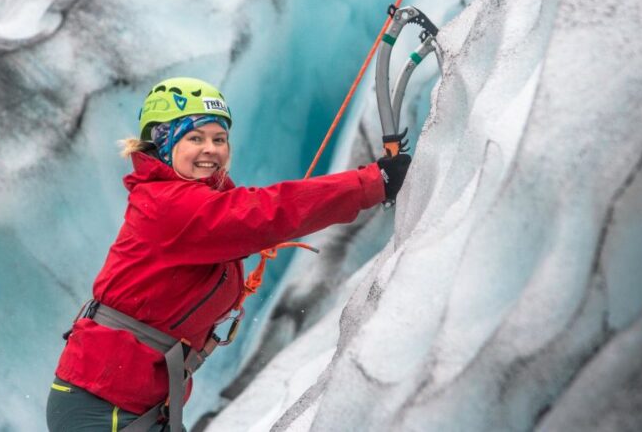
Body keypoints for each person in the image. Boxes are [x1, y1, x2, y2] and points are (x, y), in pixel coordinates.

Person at [47, 76, 411, 431]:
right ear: (162, 143)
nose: (212, 148)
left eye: (219, 138)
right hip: (103, 403)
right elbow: (268, 212)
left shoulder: (185, 201)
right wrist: (372, 183)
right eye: (195, 137)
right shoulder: (170, 206)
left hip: (128, 399)